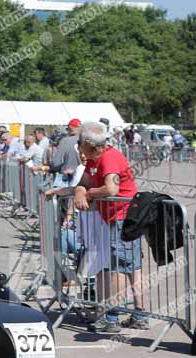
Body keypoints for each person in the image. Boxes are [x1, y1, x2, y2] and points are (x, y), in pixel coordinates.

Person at [73, 121, 145, 333]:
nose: (78, 147)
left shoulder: (109, 158)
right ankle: (137, 314)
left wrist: (87, 193)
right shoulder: (95, 159)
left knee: (119, 269)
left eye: (79, 143)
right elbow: (84, 182)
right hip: (116, 217)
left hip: (124, 218)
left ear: (87, 143)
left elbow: (111, 187)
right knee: (127, 267)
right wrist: (79, 191)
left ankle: (112, 318)